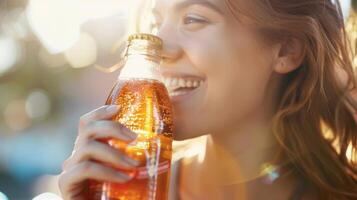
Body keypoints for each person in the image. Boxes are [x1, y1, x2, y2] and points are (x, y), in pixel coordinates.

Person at [58, 0, 357, 199]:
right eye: (156, 22)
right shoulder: (130, 188)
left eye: (193, 19)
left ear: (286, 51)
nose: (159, 45)